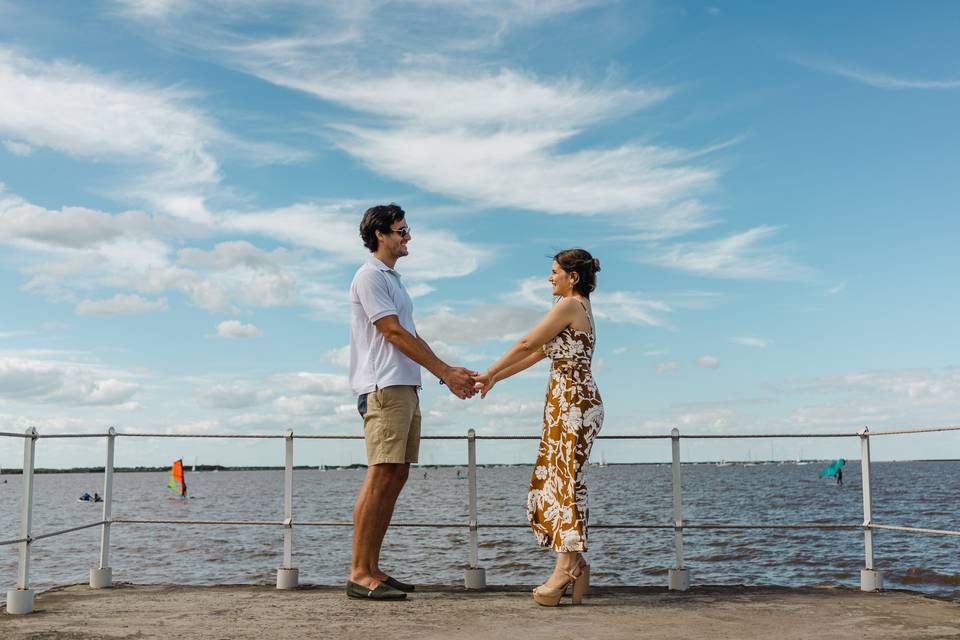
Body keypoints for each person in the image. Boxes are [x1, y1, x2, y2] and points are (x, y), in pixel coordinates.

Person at [347, 203, 477, 601]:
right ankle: (358, 573)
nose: (408, 237)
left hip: (404, 385)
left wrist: (446, 368)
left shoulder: (393, 280)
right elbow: (392, 333)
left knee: (397, 475)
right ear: (380, 234)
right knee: (381, 474)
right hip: (383, 387)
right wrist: (443, 372)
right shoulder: (370, 277)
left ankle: (372, 568)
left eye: (407, 230)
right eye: (402, 231)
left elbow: (410, 334)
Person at [476, 248, 603, 607]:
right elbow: (537, 354)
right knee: (559, 480)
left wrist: (487, 370)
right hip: (566, 402)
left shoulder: (570, 306)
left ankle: (565, 570)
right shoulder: (573, 308)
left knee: (566, 483)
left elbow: (527, 342)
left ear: (572, 276)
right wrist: (496, 377)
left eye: (554, 272)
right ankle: (575, 563)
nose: (550, 278)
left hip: (574, 403)